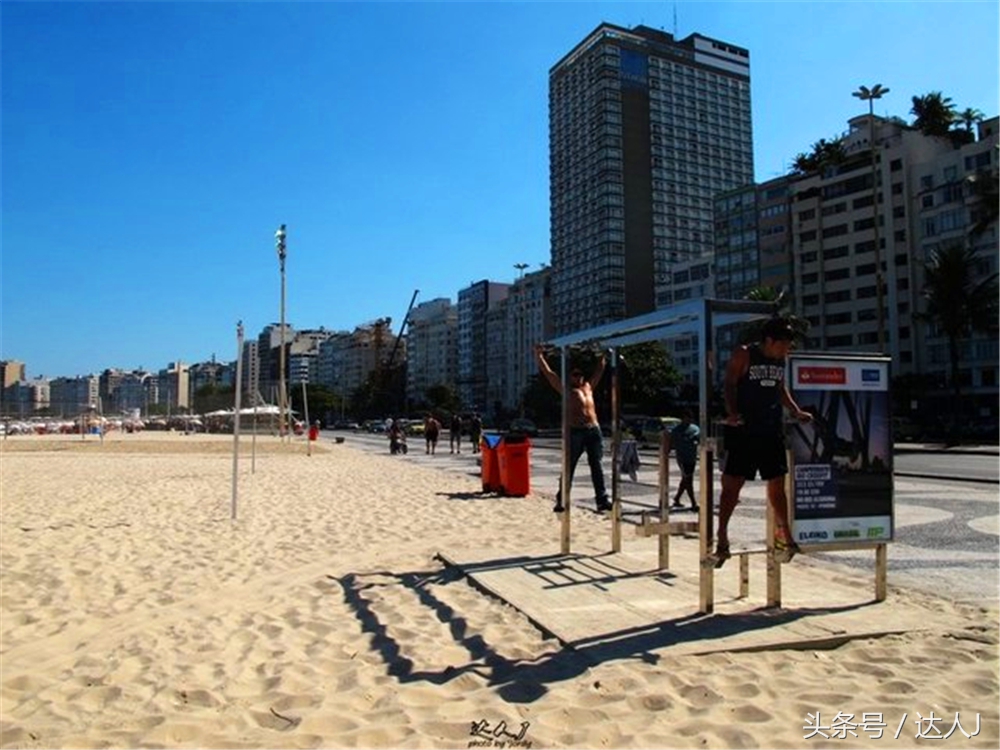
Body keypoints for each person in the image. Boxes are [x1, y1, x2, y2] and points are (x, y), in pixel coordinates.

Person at [713, 317, 812, 568]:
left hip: (770, 428)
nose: (787, 349)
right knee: (733, 485)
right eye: (784, 344)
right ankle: (722, 534)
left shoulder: (781, 358)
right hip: (744, 428)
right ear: (769, 340)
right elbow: (729, 384)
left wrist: (795, 410)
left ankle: (786, 535)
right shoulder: (744, 354)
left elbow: (780, 388)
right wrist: (732, 412)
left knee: (778, 483)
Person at [534, 344, 611, 513]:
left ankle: (602, 499)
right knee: (569, 467)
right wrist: (539, 356)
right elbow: (549, 374)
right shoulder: (566, 390)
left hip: (593, 429)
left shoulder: (588, 387)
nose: (578, 377)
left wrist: (603, 356)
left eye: (580, 374)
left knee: (597, 465)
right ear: (570, 377)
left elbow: (599, 370)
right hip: (575, 431)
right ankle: (561, 499)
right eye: (575, 375)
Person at [669, 410, 700, 511]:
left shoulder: (695, 429)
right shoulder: (676, 430)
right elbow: (671, 443)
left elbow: (699, 440)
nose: (689, 420)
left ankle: (677, 498)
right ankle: (693, 502)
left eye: (690, 418)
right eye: (687, 417)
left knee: (685, 479)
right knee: (688, 479)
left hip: (692, 457)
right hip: (682, 458)